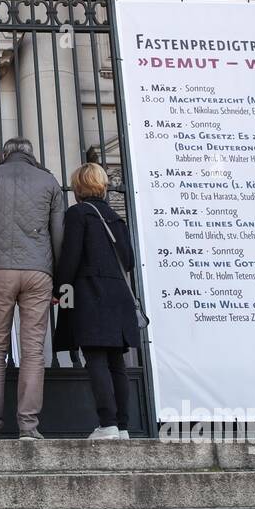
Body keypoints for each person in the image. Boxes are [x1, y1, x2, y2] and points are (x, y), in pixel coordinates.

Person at [0, 137, 65, 440]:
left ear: (2, 154)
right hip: (38, 272)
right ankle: (28, 427)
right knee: (33, 351)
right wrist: (55, 275)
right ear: (31, 156)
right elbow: (59, 233)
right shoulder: (49, 181)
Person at [53, 163, 144, 440]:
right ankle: (123, 425)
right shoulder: (116, 218)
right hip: (118, 296)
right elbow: (128, 261)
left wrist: (60, 289)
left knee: (95, 359)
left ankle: (107, 423)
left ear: (78, 187)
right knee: (118, 362)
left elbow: (70, 257)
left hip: (91, 295)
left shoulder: (78, 214)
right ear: (103, 185)